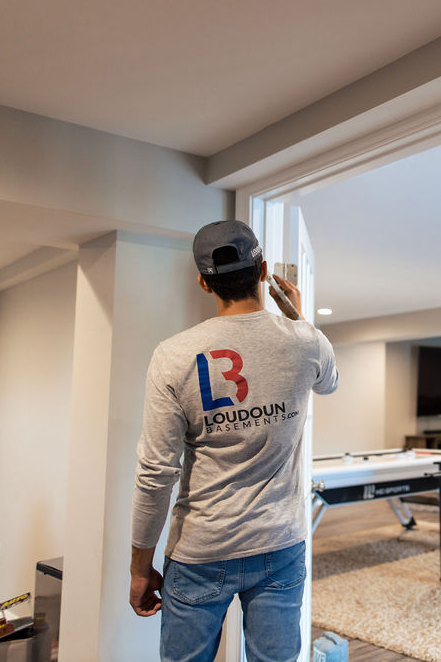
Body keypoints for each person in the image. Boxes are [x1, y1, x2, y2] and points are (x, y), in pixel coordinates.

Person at [128, 220, 339, 662]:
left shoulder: (174, 355)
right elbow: (329, 382)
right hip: (281, 545)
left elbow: (156, 473)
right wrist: (298, 319)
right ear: (263, 271)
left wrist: (139, 567)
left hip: (201, 549)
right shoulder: (306, 342)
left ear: (203, 282)